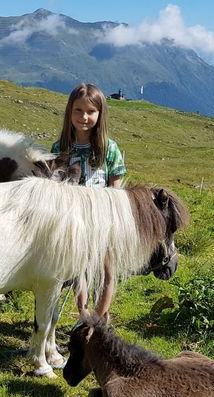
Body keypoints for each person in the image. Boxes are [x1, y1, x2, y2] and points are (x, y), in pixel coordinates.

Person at [52, 83, 126, 319]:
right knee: (78, 270)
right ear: (69, 112)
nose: (84, 117)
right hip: (74, 221)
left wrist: (114, 220)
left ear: (100, 114)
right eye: (78, 110)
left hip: (102, 220)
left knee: (106, 270)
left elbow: (116, 186)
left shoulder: (109, 149)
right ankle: (83, 315)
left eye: (91, 112)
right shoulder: (61, 148)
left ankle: (101, 317)